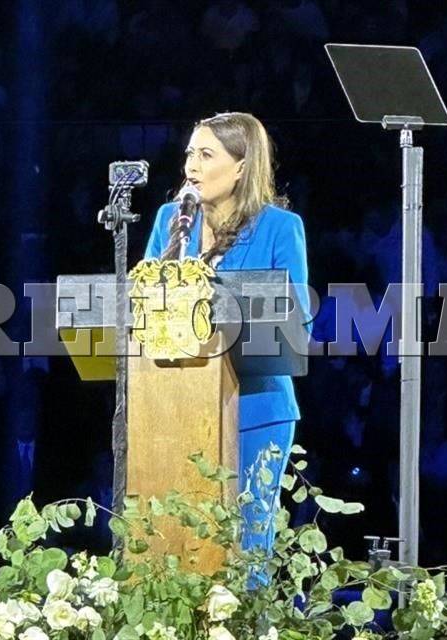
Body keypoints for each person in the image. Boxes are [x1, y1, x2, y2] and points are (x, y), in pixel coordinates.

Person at [144, 112, 309, 553]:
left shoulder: (280, 227)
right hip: (174, 406)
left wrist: (214, 301)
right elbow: (144, 306)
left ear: (241, 166)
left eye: (206, 155)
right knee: (178, 539)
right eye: (189, 154)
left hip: (257, 407)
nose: (191, 167)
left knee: (247, 541)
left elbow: (298, 318)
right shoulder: (169, 220)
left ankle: (260, 622)